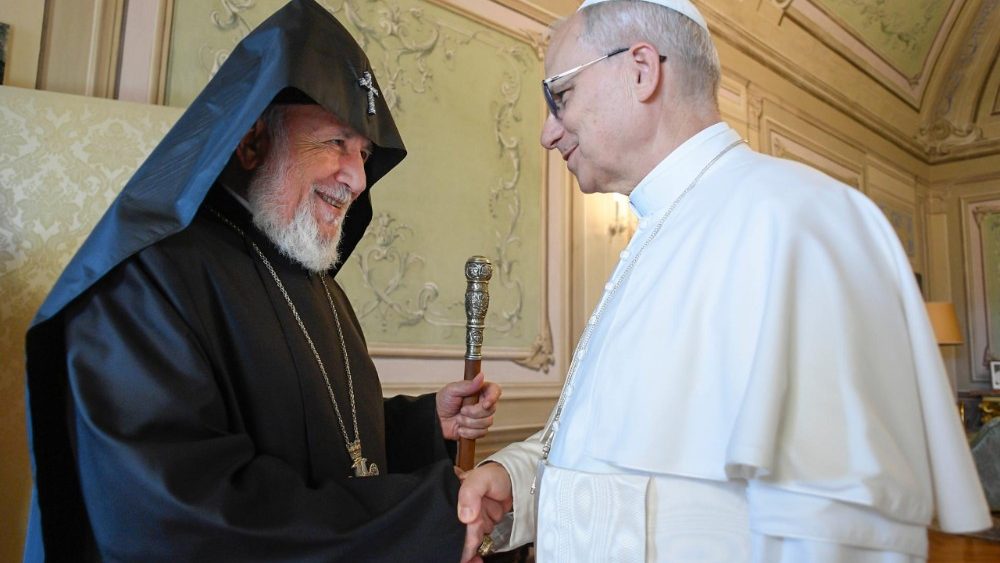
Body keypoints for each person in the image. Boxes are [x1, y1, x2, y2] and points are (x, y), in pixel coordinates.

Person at [457, 0, 991, 562]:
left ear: (641, 70)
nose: (547, 132)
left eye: (559, 96)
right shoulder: (662, 231)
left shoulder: (797, 220)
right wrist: (520, 477)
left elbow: (837, 538)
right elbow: (620, 462)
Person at [22, 1, 500, 560]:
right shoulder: (147, 280)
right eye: (335, 143)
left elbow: (325, 436)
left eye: (365, 153)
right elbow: (184, 514)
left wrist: (423, 424)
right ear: (251, 141)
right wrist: (427, 514)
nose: (357, 177)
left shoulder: (318, 286)